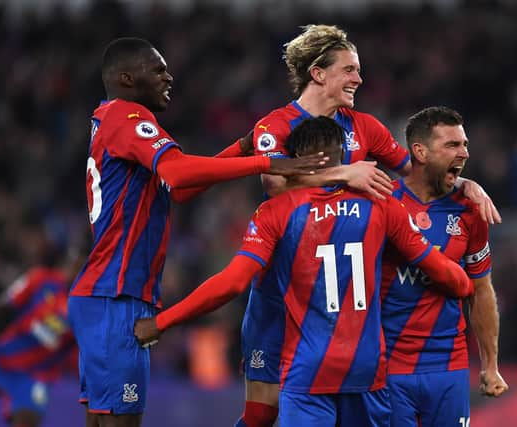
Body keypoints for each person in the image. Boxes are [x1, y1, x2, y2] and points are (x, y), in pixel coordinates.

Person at [134, 116, 475, 427]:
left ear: (299, 159)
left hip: (309, 370)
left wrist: (162, 322)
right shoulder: (382, 204)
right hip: (367, 369)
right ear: (344, 156)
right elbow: (446, 273)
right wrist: (463, 281)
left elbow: (233, 283)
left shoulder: (276, 211)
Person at [238, 24, 501, 427]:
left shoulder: (365, 128)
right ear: (319, 74)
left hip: (350, 300)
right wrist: (346, 174)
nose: (359, 79)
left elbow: (417, 170)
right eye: (349, 69)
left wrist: (465, 182)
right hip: (286, 288)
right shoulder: (276, 125)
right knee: (262, 411)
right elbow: (274, 183)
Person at [67, 37, 330, 427]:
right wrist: (268, 164)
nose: (168, 76)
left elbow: (182, 189)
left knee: (101, 421)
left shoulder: (109, 122)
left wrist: (241, 148)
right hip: (115, 297)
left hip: (103, 295)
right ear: (126, 78)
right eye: (157, 69)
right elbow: (177, 171)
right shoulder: (126, 117)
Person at [380, 106, 509, 427]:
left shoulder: (470, 209)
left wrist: (490, 365)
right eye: (452, 145)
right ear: (420, 151)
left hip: (448, 367)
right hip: (387, 367)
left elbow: (481, 289)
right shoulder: (382, 202)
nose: (463, 152)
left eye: (464, 145)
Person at [0, 235, 77, 427]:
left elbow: (80, 356)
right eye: (74, 261)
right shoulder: (42, 279)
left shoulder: (87, 311)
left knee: (26, 421)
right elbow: (3, 307)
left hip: (35, 377)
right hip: (1, 357)